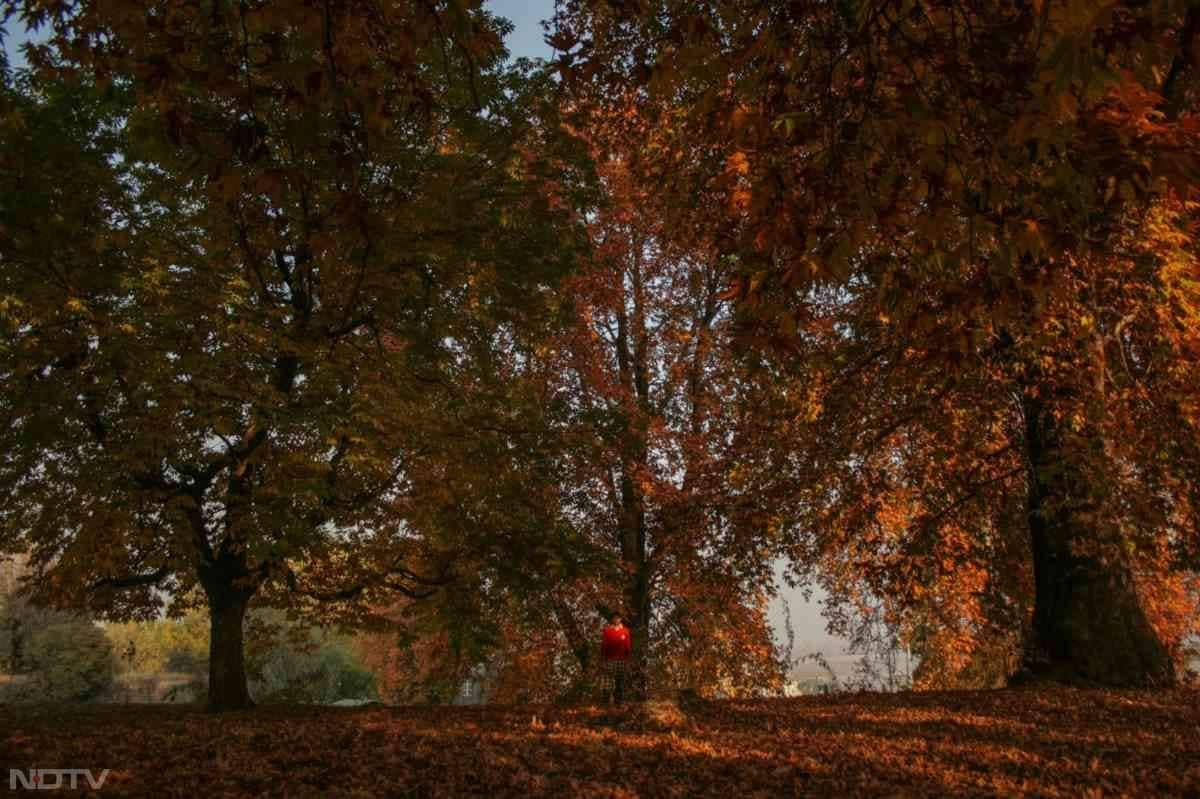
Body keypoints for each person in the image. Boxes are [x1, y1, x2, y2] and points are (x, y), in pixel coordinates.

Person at [600, 614, 632, 704]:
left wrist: (628, 660)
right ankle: (605, 703)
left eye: (618, 618)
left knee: (620, 682)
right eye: (614, 618)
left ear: (620, 619)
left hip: (621, 660)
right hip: (609, 660)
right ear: (612, 619)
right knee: (607, 683)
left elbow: (628, 647)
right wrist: (602, 660)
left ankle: (619, 703)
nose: (616, 619)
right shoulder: (607, 631)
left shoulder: (626, 631)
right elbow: (603, 646)